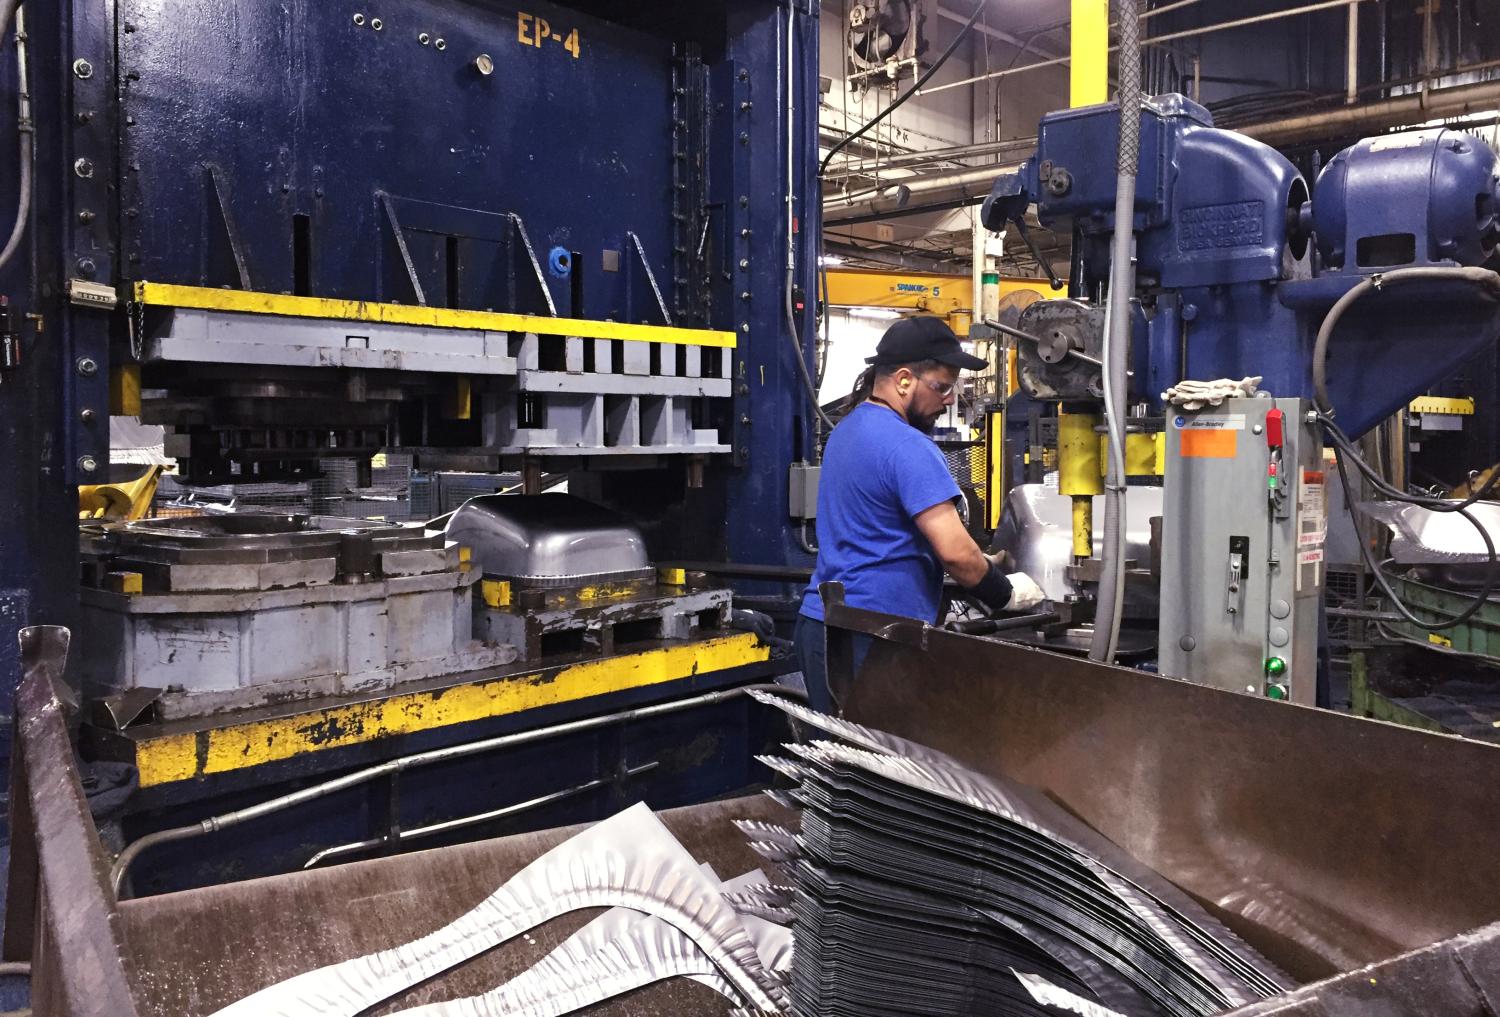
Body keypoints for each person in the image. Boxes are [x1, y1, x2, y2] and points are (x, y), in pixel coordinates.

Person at [794, 315, 1045, 713]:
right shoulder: (908, 446)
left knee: (841, 761)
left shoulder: (846, 431)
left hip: (823, 626)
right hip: (876, 635)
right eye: (942, 387)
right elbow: (956, 556)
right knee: (883, 765)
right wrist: (1007, 594)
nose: (949, 399)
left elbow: (879, 531)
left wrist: (984, 562)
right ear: (904, 380)